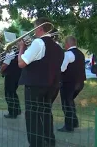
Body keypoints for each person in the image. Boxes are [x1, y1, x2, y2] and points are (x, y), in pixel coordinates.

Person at [18, 17, 64, 147]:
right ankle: (49, 140)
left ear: (39, 28)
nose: (33, 31)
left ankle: (36, 143)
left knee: (32, 115)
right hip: (52, 86)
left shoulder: (38, 43)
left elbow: (21, 63)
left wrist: (21, 48)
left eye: (34, 28)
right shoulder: (58, 47)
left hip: (35, 86)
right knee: (46, 113)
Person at [59, 36, 86, 132]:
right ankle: (74, 122)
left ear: (67, 44)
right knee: (70, 102)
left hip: (68, 83)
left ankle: (68, 126)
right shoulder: (81, 54)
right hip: (80, 83)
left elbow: (62, 69)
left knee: (66, 104)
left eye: (64, 43)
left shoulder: (68, 54)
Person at [0, 50, 22, 118]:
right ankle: (17, 110)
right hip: (17, 75)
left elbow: (5, 65)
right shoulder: (17, 52)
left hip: (10, 76)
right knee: (13, 93)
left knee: (9, 93)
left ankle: (12, 112)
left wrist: (1, 70)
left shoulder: (10, 53)